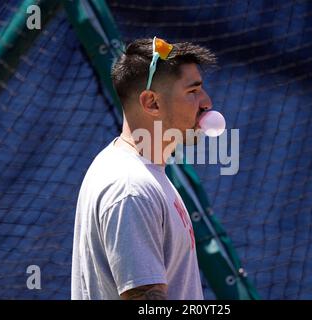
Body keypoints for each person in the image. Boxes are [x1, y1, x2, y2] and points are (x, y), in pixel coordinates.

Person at [71, 37, 216, 300]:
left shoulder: (146, 176)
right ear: (152, 103)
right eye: (193, 91)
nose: (207, 102)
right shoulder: (131, 187)